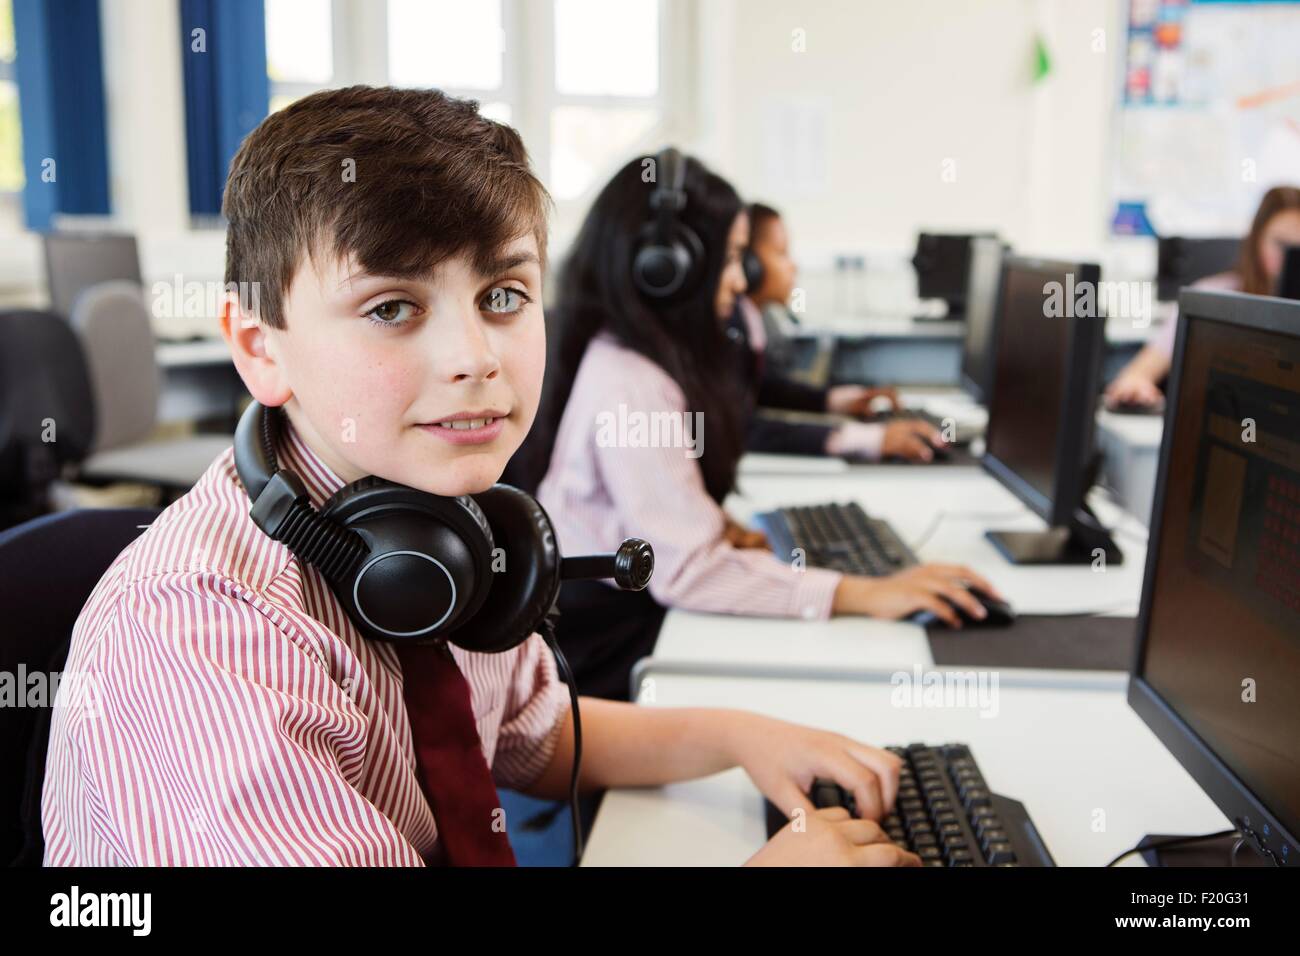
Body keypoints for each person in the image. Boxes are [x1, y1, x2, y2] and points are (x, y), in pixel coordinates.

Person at [40, 89, 919, 867]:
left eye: (503, 294)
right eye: (392, 307)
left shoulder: (451, 529)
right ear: (259, 349)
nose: (475, 358)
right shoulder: (203, 638)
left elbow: (532, 736)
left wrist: (743, 734)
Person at [534, 150, 1003, 701]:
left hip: (620, 615)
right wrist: (865, 592)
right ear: (667, 267)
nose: (739, 280)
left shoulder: (636, 360)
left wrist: (711, 524)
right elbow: (687, 573)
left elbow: (643, 510)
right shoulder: (632, 384)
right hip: (605, 648)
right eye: (731, 258)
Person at [739, 202, 946, 463]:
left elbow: (761, 388)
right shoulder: (727, 328)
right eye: (782, 253)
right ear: (750, 265)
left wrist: (834, 400)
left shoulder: (748, 323)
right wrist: (863, 438)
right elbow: (741, 428)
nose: (794, 266)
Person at [1106, 185, 1300, 407]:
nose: (1291, 260)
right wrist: (1136, 385)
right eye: (1281, 244)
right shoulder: (1212, 297)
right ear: (1256, 241)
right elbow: (1137, 374)